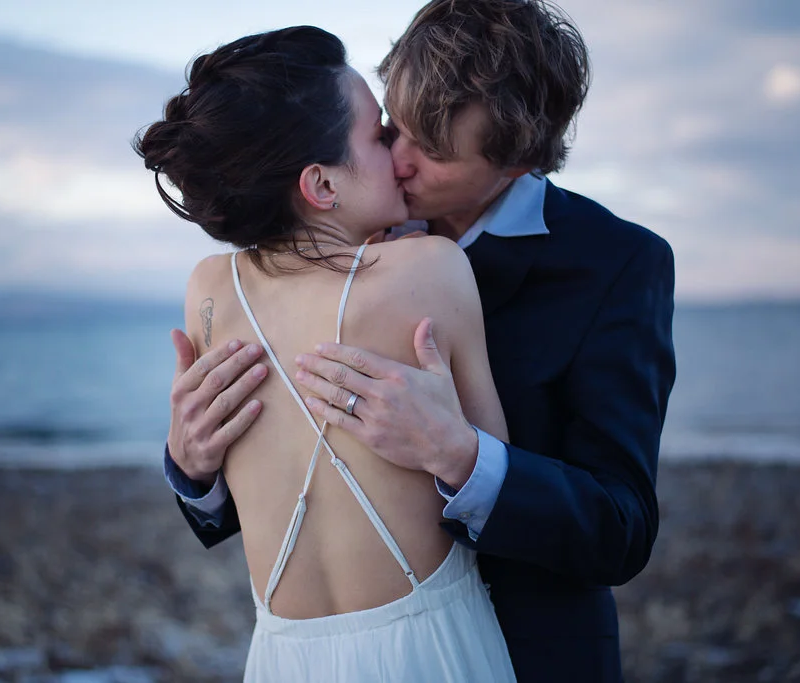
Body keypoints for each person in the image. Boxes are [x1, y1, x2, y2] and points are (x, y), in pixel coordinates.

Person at [163, 2, 676, 682]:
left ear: (518, 157)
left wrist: (464, 456)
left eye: (431, 148)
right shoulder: (335, 233)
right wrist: (192, 466)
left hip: (529, 655)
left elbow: (622, 528)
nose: (398, 160)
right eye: (391, 126)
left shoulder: (616, 263)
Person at [138, 25, 516, 682]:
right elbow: (499, 493)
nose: (401, 154)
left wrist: (187, 467)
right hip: (430, 647)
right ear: (320, 185)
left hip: (281, 655)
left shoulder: (208, 288)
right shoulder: (432, 266)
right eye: (378, 135)